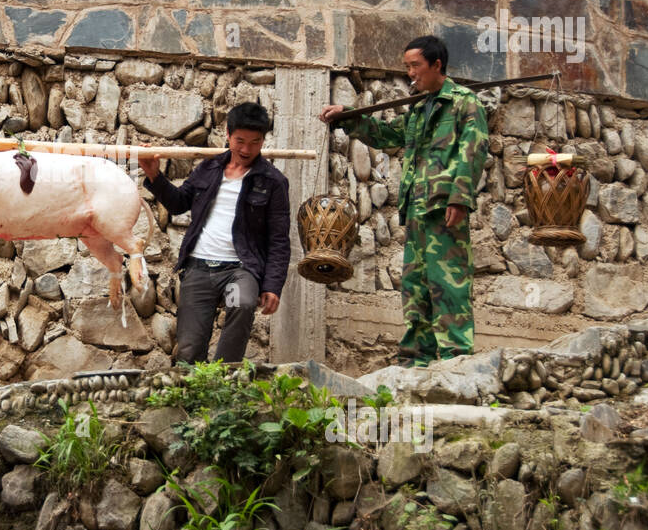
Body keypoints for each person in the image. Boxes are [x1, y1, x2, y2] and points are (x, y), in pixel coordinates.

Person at [319, 36, 489, 367]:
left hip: (444, 209)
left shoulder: (463, 103)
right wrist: (349, 116)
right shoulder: (419, 108)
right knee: (415, 286)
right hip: (416, 212)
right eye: (407, 66)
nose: (410, 73)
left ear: (437, 65)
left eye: (415, 66)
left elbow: (474, 150)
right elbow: (388, 135)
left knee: (448, 281)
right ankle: (417, 358)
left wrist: (459, 198)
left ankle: (457, 358)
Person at [137, 102, 290, 364]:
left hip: (239, 271)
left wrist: (273, 285)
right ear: (227, 135)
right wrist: (154, 176)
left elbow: (279, 240)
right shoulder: (209, 169)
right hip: (199, 268)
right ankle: (193, 396)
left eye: (255, 142)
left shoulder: (272, 181)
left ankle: (224, 376)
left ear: (263, 140)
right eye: (239, 140)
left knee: (241, 302)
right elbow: (178, 203)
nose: (245, 149)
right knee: (188, 350)